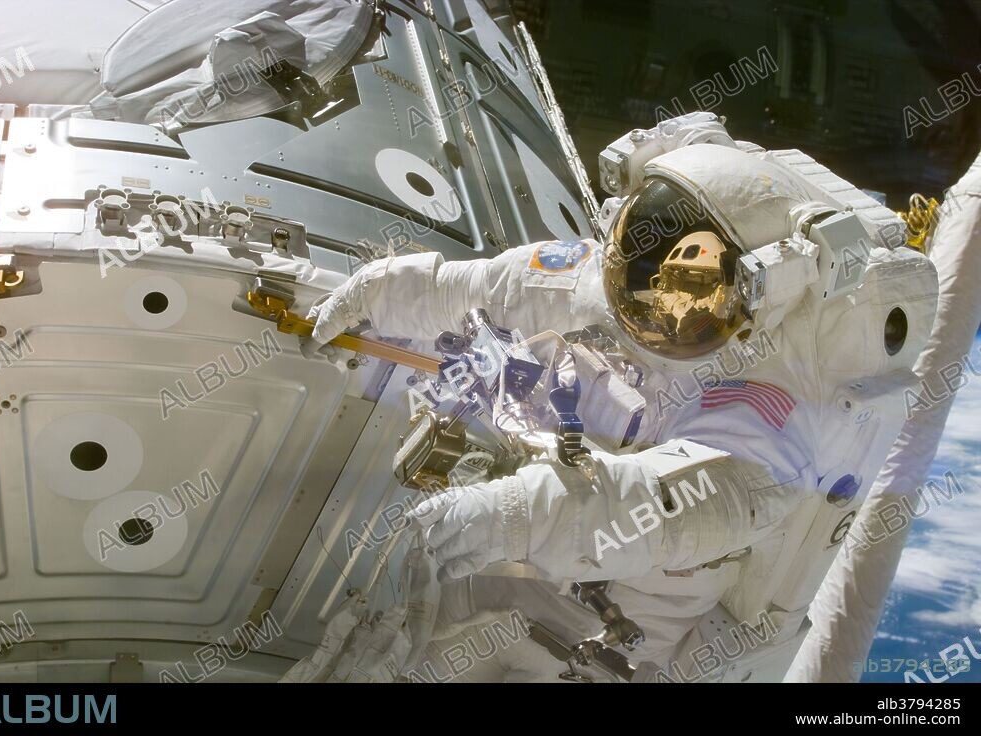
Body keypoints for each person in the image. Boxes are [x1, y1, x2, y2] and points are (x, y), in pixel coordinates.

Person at [290, 114, 939, 682]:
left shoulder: (768, 404)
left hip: (622, 631)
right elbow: (482, 286)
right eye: (647, 267)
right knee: (386, 634)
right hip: (537, 571)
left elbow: (673, 503)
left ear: (757, 298)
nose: (660, 303)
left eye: (693, 287)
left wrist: (525, 511)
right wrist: (375, 290)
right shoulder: (619, 277)